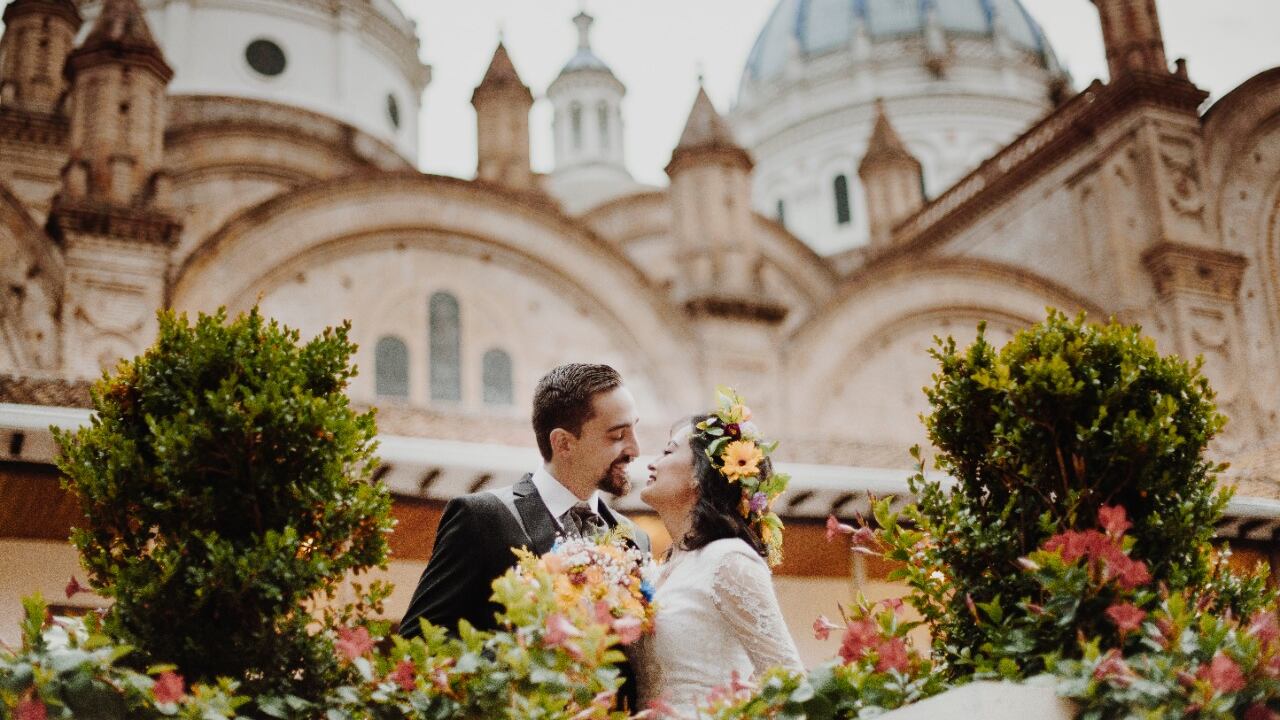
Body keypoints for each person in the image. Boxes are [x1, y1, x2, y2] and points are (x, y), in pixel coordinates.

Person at [397, 362, 651, 639]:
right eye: (617, 436)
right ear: (563, 443)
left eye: (634, 430)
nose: (635, 449)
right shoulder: (481, 518)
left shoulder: (635, 540)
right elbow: (418, 636)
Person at [633, 392, 803, 715]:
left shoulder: (728, 560)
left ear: (699, 474)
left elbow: (787, 679)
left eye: (668, 451)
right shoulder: (658, 572)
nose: (652, 463)